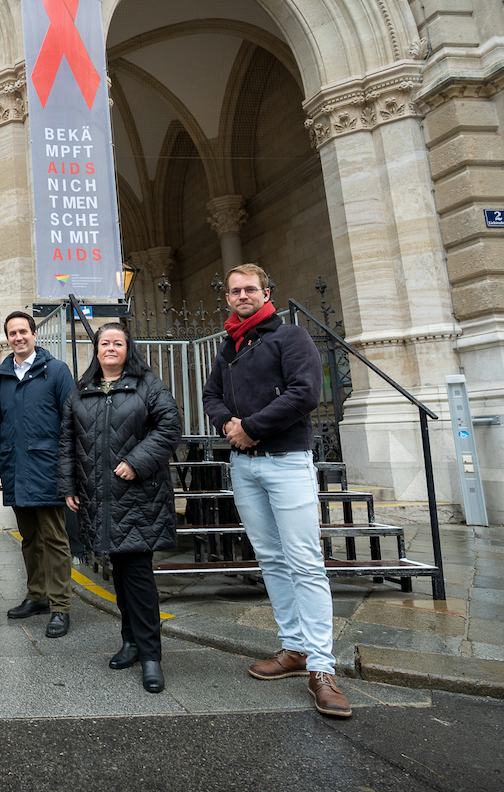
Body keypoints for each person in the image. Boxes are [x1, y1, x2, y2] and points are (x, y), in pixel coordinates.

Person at [201, 263, 351, 718]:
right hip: (245, 467)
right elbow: (210, 396)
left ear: (267, 292)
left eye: (250, 289)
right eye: (234, 291)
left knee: (305, 561)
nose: (242, 295)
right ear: (227, 297)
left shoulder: (291, 337)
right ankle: (294, 649)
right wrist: (228, 424)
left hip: (286, 462)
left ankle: (322, 668)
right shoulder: (229, 345)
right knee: (270, 558)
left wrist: (251, 428)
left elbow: (306, 392)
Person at [58, 321, 181, 693]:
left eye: (118, 343)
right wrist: (67, 486)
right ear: (95, 350)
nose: (110, 348)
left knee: (138, 576)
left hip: (138, 496)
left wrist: (136, 460)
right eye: (104, 343)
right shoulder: (80, 394)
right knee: (119, 574)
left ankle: (150, 656)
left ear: (128, 349)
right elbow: (67, 443)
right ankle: (129, 641)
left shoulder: (149, 386)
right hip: (99, 498)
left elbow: (170, 427)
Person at [0, 310, 77, 638]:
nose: (18, 338)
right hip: (14, 467)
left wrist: (70, 467)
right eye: (12, 333)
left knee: (54, 537)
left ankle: (60, 606)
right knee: (29, 538)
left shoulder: (55, 371)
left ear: (34, 334)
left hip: (48, 466)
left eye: (23, 332)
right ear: (8, 338)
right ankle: (37, 595)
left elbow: (72, 421)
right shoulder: (1, 374)